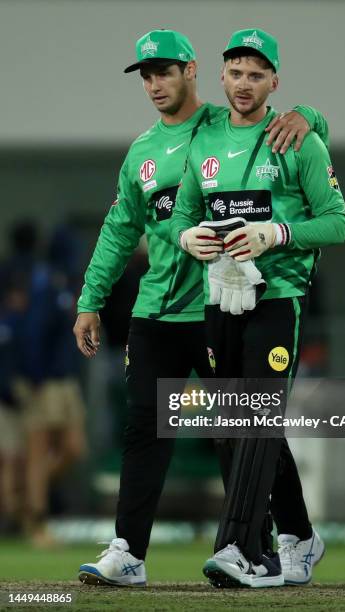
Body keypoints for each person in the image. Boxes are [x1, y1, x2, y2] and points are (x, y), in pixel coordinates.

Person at [73, 28, 331, 587]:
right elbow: (119, 230)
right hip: (156, 311)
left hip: (222, 307)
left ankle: (273, 542)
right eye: (145, 74)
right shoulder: (142, 151)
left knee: (244, 431)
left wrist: (308, 113)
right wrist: (91, 300)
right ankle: (129, 551)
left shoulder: (225, 121)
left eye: (163, 71)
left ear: (192, 71)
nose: (154, 83)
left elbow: (290, 125)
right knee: (145, 427)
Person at [170, 28, 345, 588]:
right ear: (220, 78)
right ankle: (295, 536)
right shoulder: (204, 137)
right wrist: (185, 239)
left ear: (274, 81)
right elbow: (183, 213)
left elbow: (337, 221)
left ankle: (242, 546)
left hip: (278, 298)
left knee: (255, 420)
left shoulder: (299, 139)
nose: (244, 84)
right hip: (219, 297)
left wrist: (277, 232)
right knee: (234, 425)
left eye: (256, 75)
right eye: (236, 73)